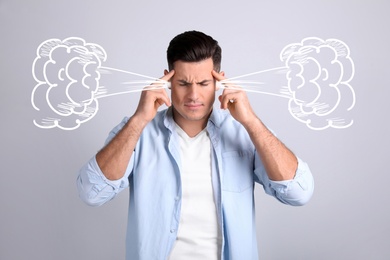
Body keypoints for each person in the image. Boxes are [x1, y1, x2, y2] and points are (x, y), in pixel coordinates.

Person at [77, 30, 314, 260]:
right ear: (167, 80)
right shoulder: (137, 132)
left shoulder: (243, 131)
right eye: (182, 83)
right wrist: (139, 119)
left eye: (203, 83)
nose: (193, 95)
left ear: (219, 81)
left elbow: (298, 193)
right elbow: (91, 193)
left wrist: (250, 121)